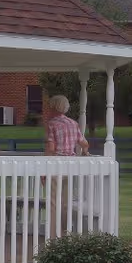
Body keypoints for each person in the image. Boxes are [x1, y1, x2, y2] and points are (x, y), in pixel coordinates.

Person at [43, 95, 89, 237]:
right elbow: (84, 144)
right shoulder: (73, 123)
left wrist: (44, 170)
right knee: (65, 204)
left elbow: (51, 148)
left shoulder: (52, 124)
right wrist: (85, 153)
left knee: (53, 204)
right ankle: (64, 235)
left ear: (54, 107)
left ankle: (52, 238)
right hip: (70, 166)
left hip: (56, 165)